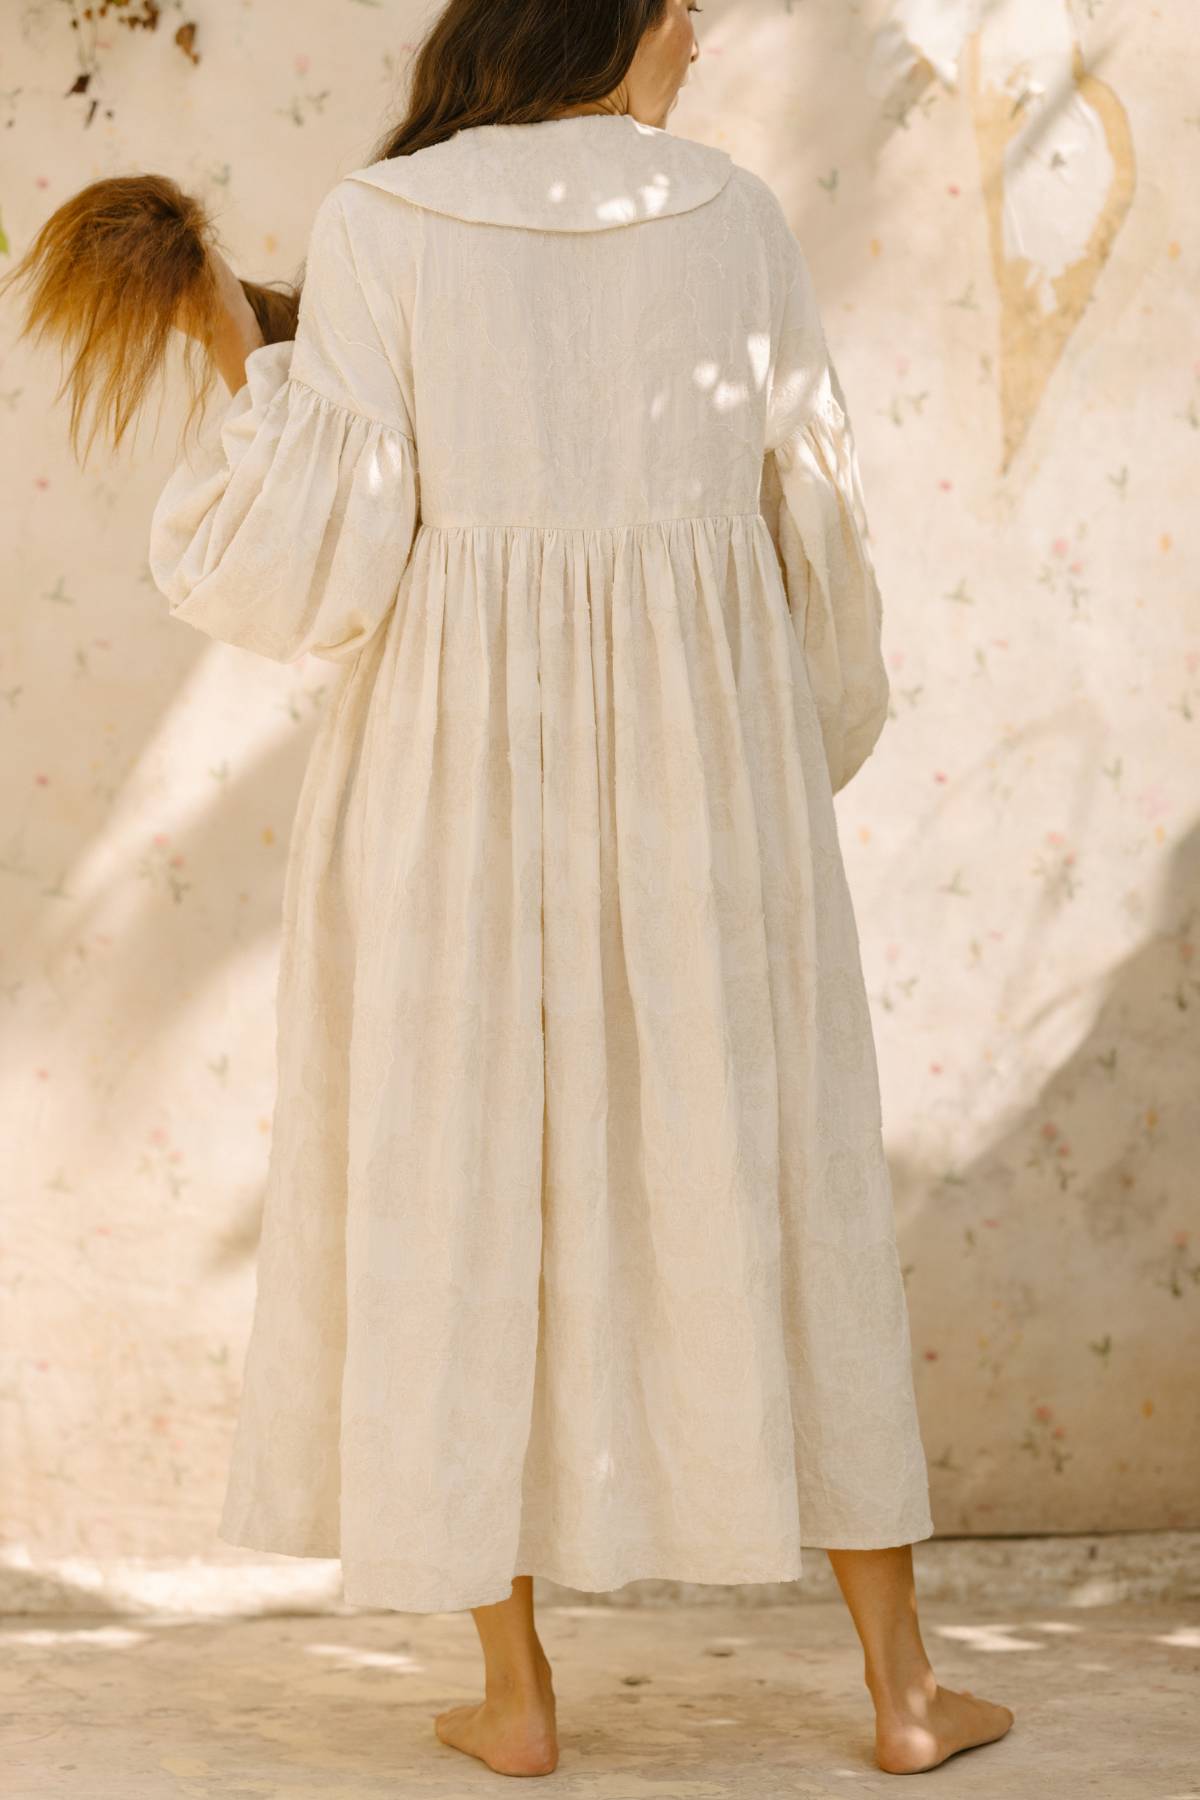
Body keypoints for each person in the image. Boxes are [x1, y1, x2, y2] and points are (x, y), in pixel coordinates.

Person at [3, 0, 1015, 1780]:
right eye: (680, 0)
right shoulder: (733, 218)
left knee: (464, 1188)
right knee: (776, 1179)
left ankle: (521, 1696)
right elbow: (816, 515)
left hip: (452, 792)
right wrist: (801, 740)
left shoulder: (383, 228)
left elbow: (323, 550)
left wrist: (250, 355)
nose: (701, 31)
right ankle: (905, 1693)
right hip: (710, 786)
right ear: (604, 13)